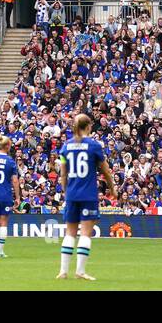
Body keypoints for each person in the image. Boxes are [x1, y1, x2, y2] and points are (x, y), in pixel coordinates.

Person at [57, 114, 116, 281]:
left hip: (72, 194)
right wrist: (112, 188)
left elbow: (63, 173)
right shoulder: (93, 145)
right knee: (85, 234)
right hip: (88, 194)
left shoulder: (66, 146)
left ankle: (63, 271)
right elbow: (105, 170)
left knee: (69, 233)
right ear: (89, 126)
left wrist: (65, 191)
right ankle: (80, 271)